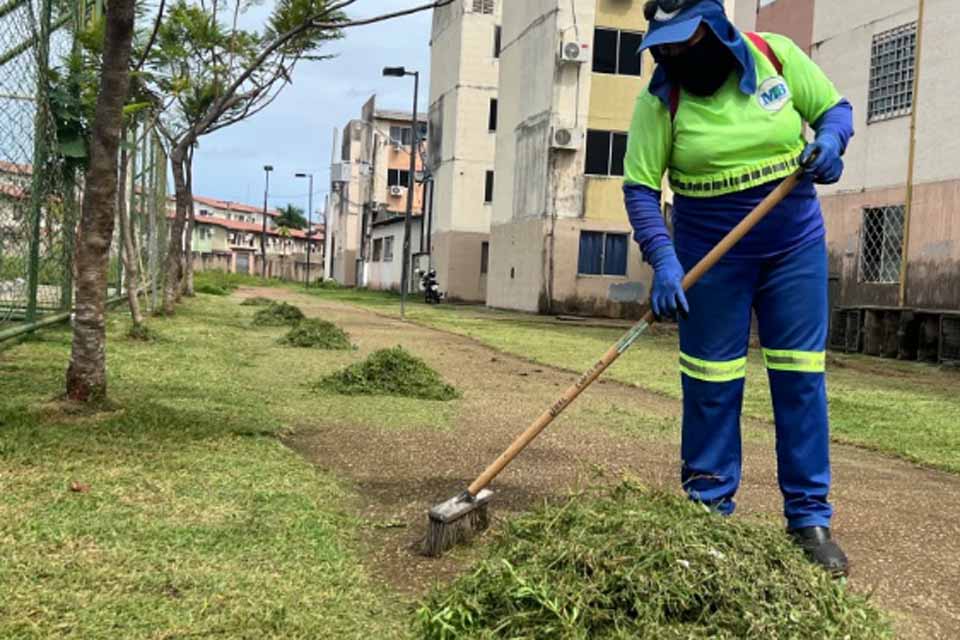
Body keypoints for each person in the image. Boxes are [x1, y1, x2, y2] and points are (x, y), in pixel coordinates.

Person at [623, 0, 854, 575]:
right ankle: (707, 514)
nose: (675, 54)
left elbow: (835, 109)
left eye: (685, 41)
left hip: (791, 248)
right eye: (665, 45)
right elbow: (640, 187)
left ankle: (808, 519)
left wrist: (830, 144)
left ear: (717, 29)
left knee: (800, 381)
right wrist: (664, 259)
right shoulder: (661, 98)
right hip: (710, 259)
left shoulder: (775, 57)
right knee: (710, 384)